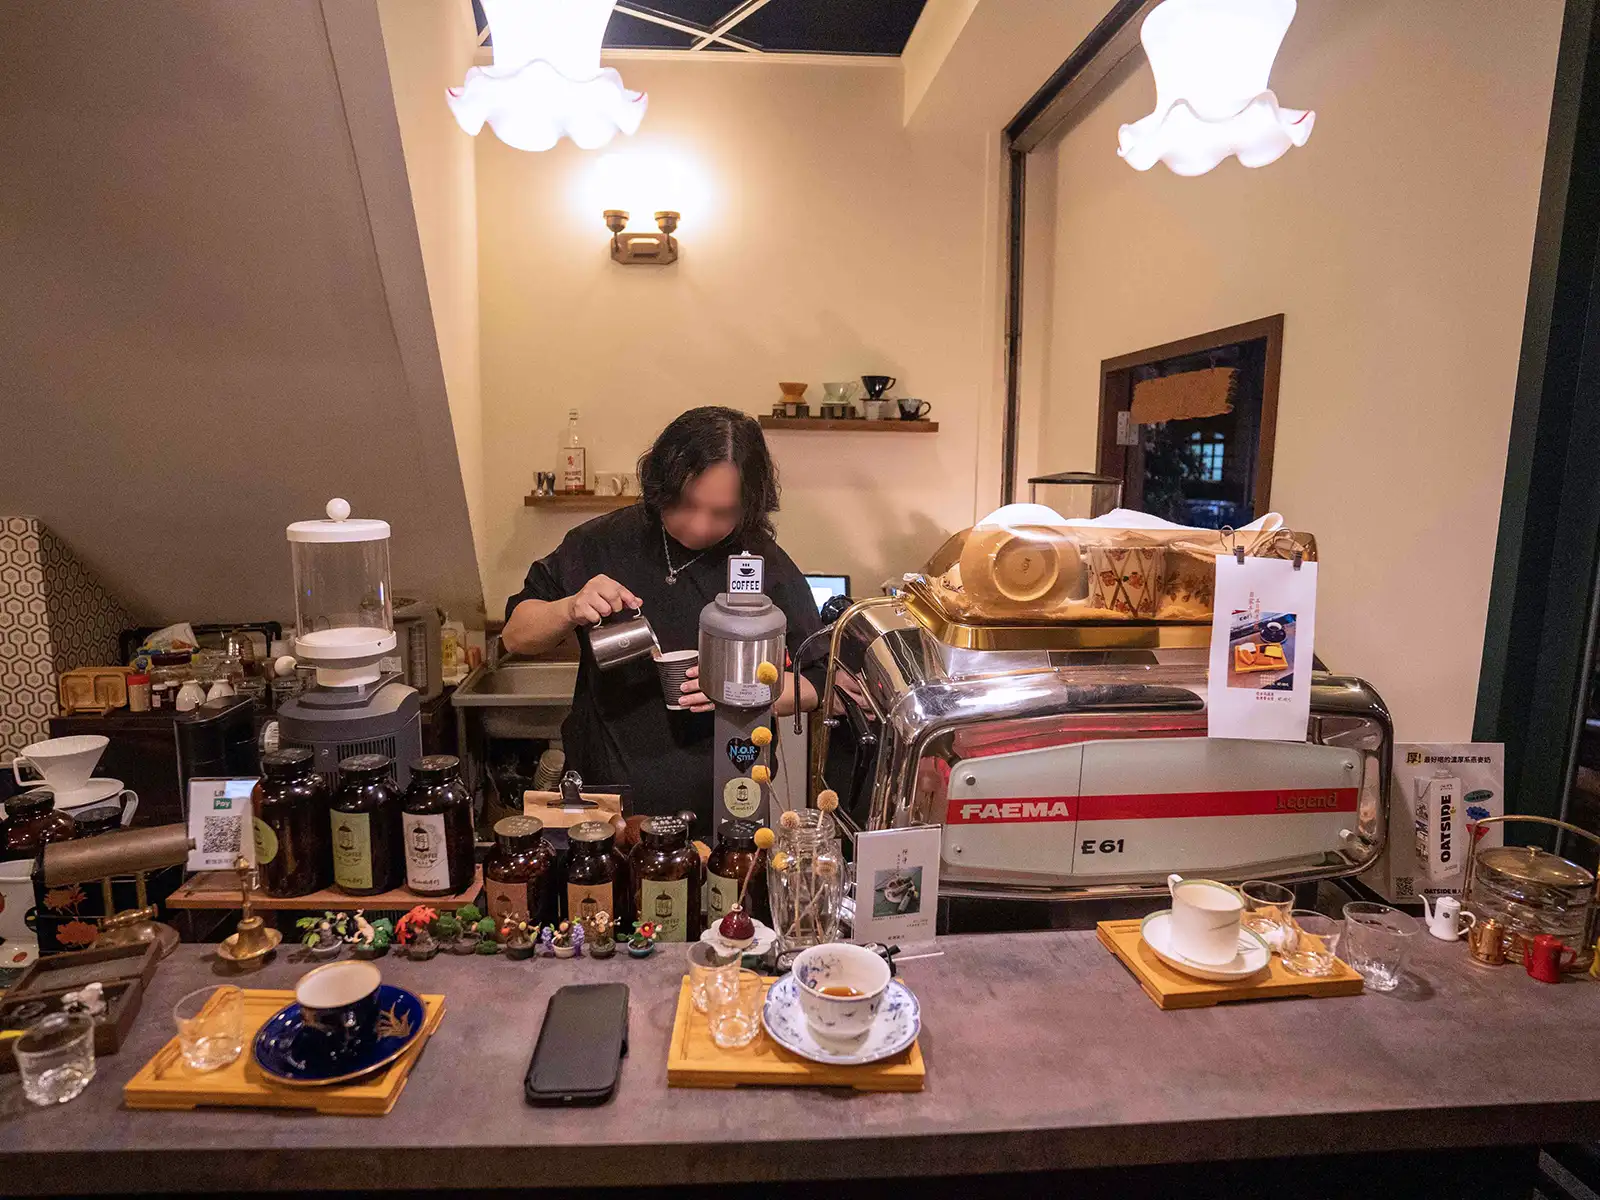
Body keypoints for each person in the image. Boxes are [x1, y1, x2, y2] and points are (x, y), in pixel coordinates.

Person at [502, 406, 824, 823]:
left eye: (722, 513)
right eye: (687, 504)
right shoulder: (601, 543)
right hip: (606, 807)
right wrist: (569, 608)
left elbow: (816, 681)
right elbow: (515, 636)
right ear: (662, 485)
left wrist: (741, 694)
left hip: (728, 804)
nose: (699, 526)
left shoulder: (760, 561)